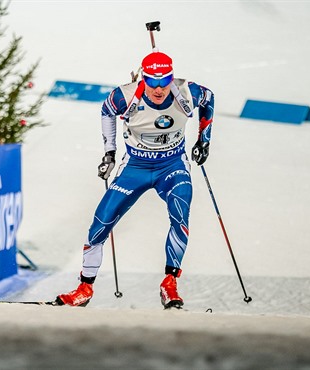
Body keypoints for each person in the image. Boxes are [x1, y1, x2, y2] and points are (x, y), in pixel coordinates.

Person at [56, 51, 215, 308]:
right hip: (135, 167)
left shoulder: (186, 92)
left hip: (172, 165)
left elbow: (209, 98)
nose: (159, 89)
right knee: (100, 222)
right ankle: (84, 288)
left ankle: (170, 283)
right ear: (144, 79)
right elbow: (106, 110)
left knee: (180, 215)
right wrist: (109, 151)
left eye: (165, 81)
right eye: (153, 82)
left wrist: (203, 140)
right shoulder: (125, 95)